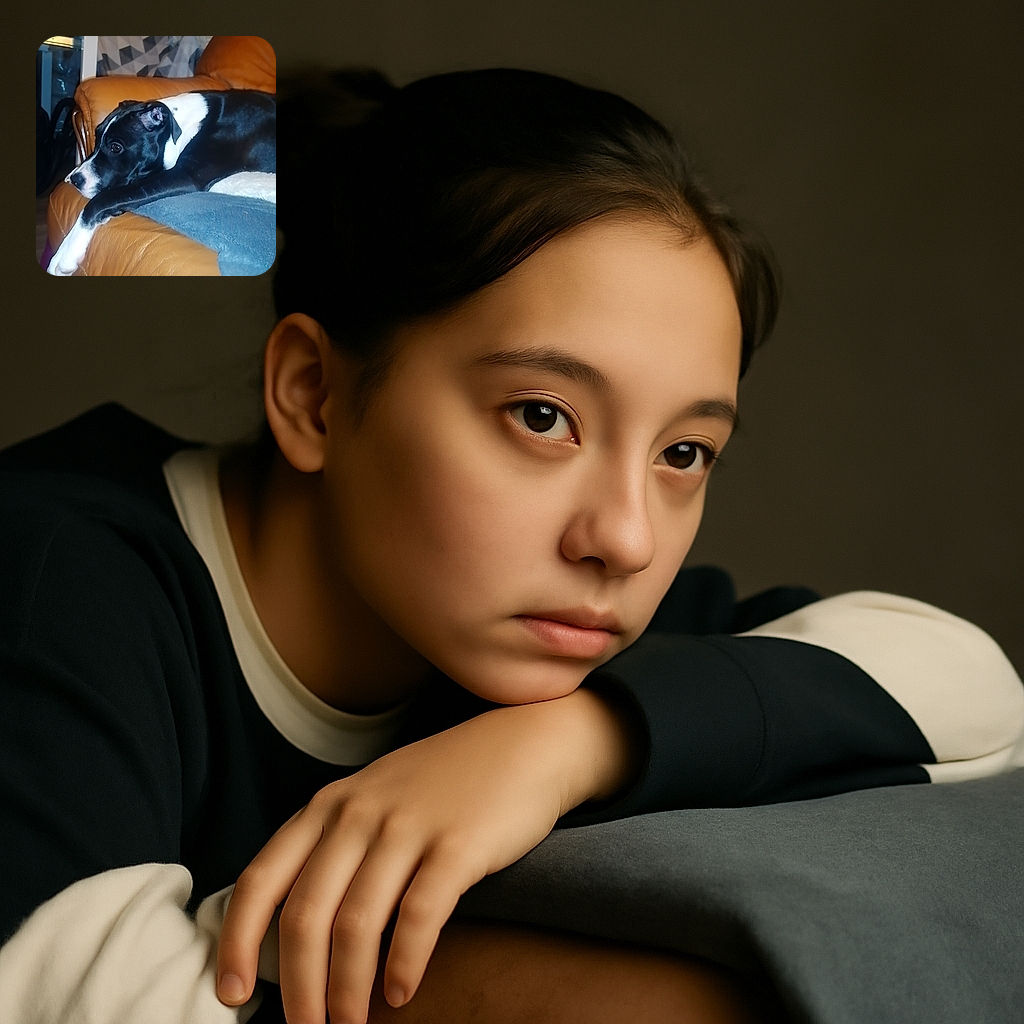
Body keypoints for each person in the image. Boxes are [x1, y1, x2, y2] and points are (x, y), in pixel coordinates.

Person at [1, 67, 1021, 1024]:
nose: (622, 538)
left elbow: (974, 686)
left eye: (684, 451)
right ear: (313, 393)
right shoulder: (54, 576)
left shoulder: (537, 642)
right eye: (541, 416)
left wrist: (568, 747)